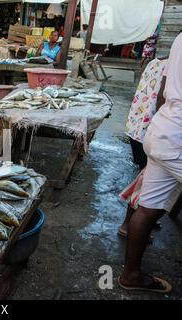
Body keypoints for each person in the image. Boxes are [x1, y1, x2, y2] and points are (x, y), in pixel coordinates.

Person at [119, 33, 182, 294]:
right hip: (177, 139)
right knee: (148, 208)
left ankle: (131, 275)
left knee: (147, 207)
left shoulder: (180, 38)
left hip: (164, 129)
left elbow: (162, 91)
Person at [125, 57, 167, 170]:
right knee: (147, 169)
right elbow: (160, 100)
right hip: (149, 130)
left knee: (143, 168)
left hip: (136, 127)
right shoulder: (168, 67)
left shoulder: (155, 62)